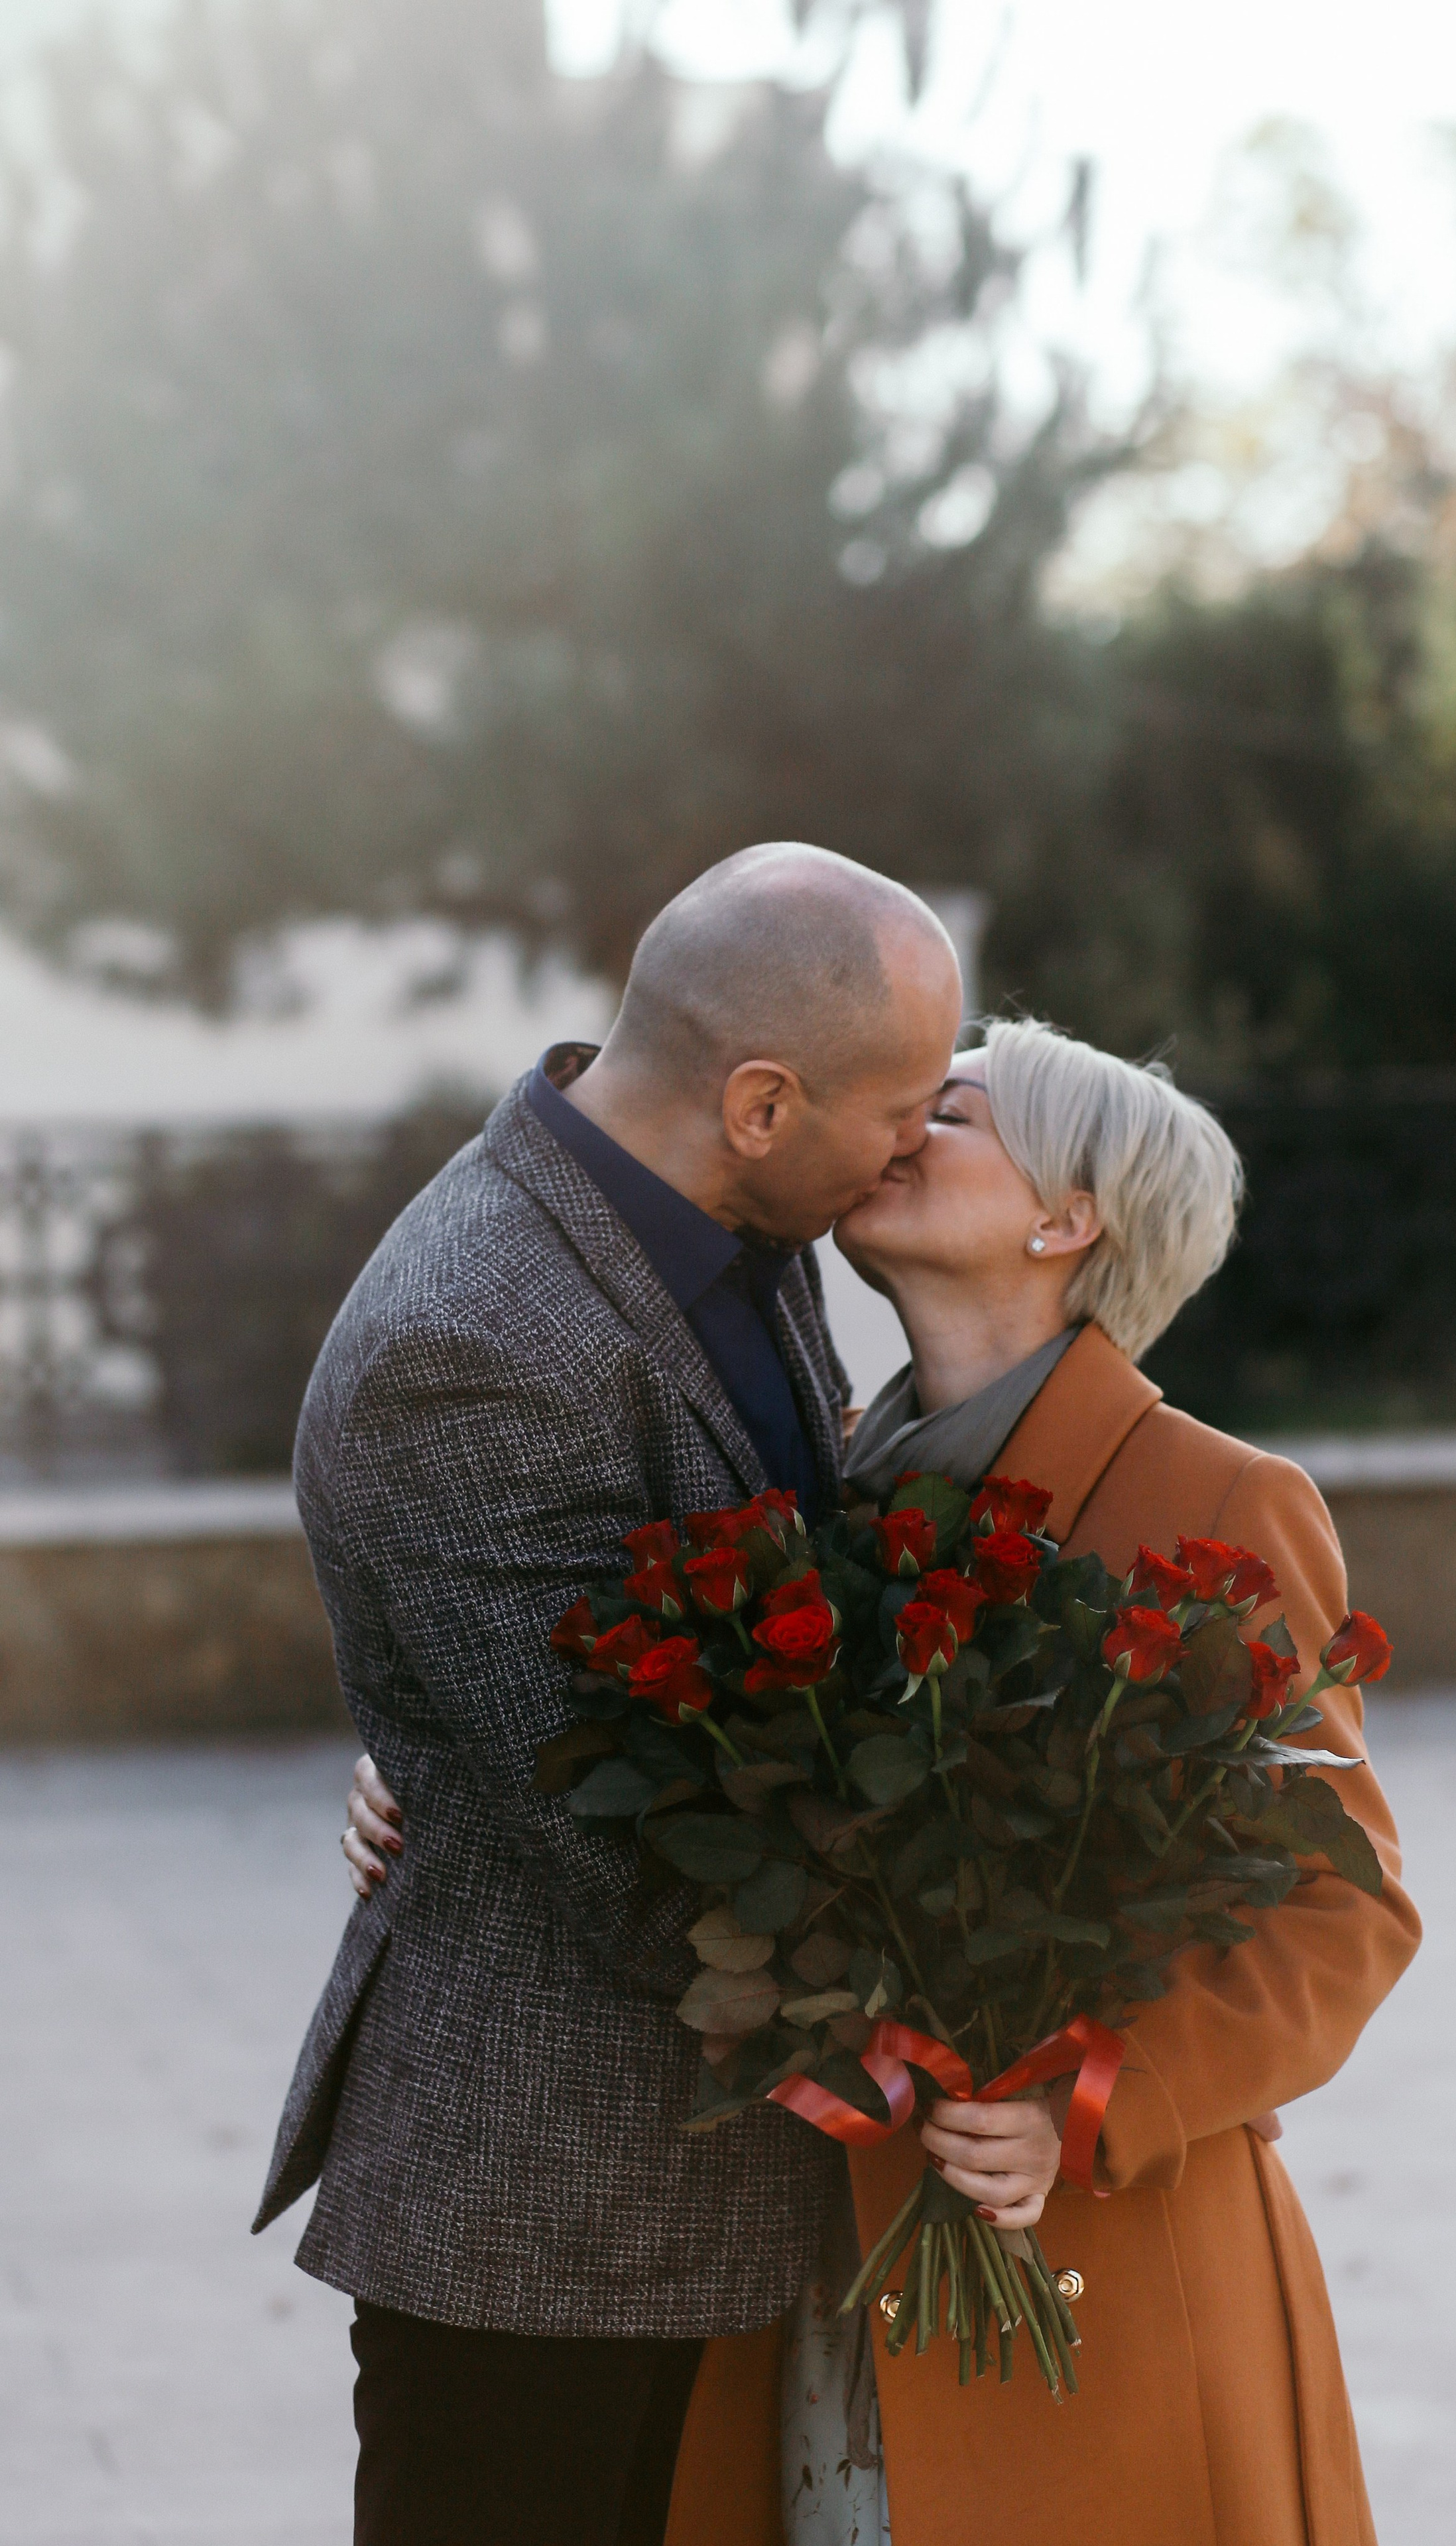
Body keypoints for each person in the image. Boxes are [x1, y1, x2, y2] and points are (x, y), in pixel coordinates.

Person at [343, 1016, 1422, 2546]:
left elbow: (1346, 1907)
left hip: (1096, 2255)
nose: (897, 1132)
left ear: (1065, 1217)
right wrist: (421, 1765)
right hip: (822, 2264)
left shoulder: (1223, 1500)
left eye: (953, 1113)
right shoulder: (825, 1474)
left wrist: (1088, 2102)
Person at [252, 841, 964, 2546]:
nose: (918, 1144)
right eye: (904, 1107)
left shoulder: (742, 1226)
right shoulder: (471, 1340)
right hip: (543, 2202)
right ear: (762, 1100)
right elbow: (620, 1833)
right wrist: (983, 1955)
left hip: (702, 2169)